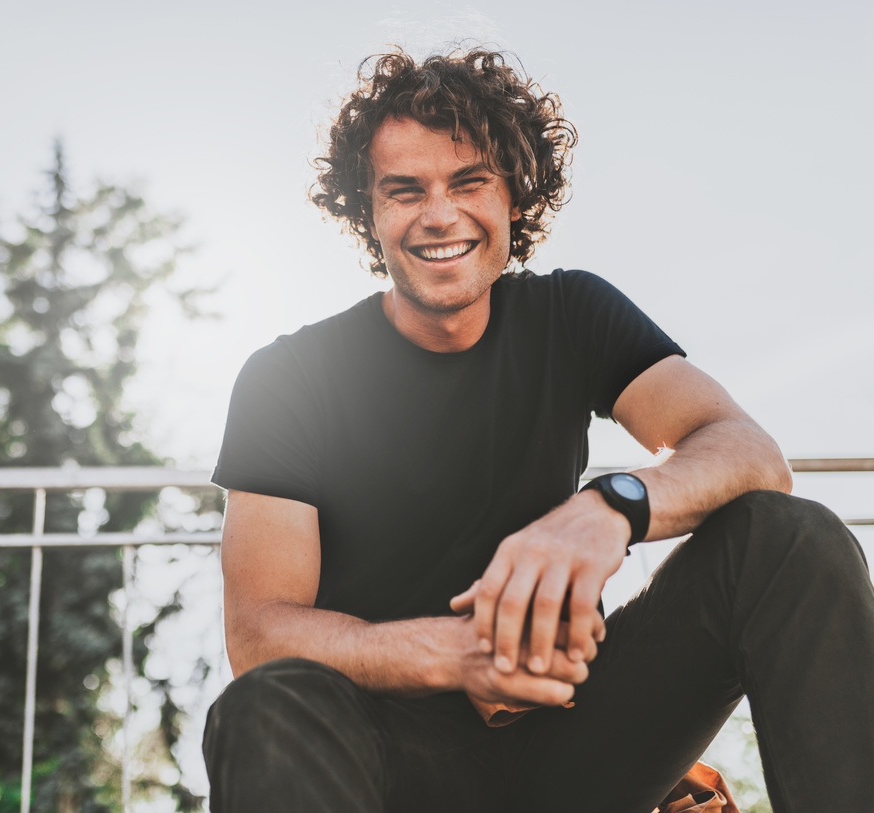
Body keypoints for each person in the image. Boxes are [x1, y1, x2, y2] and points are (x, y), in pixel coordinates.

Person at [203, 48, 874, 813]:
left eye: (469, 182)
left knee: (789, 538)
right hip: (387, 758)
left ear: (514, 198)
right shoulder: (290, 376)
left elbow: (750, 452)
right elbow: (259, 632)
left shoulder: (571, 313)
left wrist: (611, 507)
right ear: (369, 213)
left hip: (568, 744)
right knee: (267, 703)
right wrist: (460, 653)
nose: (439, 214)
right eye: (405, 190)